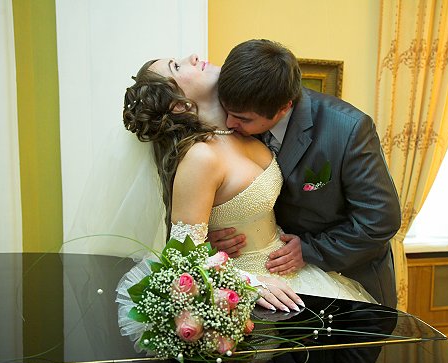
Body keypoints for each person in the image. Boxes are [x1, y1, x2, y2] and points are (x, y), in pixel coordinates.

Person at [118, 54, 376, 313]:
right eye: (176, 66)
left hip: (292, 269)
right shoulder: (201, 157)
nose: (192, 57)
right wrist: (248, 284)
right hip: (255, 288)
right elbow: (182, 256)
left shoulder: (246, 131)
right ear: (178, 106)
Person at [212, 39, 401, 307]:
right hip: (269, 282)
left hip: (347, 277)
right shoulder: (232, 120)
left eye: (243, 119)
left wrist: (311, 250)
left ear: (284, 107)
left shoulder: (349, 130)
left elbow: (380, 219)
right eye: (227, 111)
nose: (230, 123)